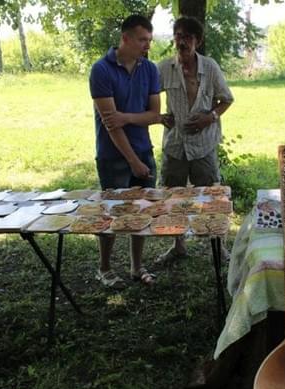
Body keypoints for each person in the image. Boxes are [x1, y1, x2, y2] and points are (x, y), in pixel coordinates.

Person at [89, 14, 161, 287]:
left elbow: (155, 114)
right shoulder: (101, 70)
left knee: (141, 212)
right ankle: (105, 268)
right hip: (113, 156)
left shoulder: (150, 69)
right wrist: (133, 162)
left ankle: (136, 267)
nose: (147, 45)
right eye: (143, 40)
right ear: (125, 38)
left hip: (144, 150)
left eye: (149, 40)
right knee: (110, 213)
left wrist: (127, 117)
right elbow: (111, 124)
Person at [156, 16, 234, 264]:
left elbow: (226, 99)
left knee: (213, 196)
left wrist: (209, 117)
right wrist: (159, 117)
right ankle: (178, 244)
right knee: (173, 197)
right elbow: (146, 97)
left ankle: (218, 246)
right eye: (178, 35)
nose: (182, 41)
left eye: (188, 37)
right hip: (175, 145)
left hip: (203, 147)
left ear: (197, 41)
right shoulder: (164, 68)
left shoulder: (210, 67)